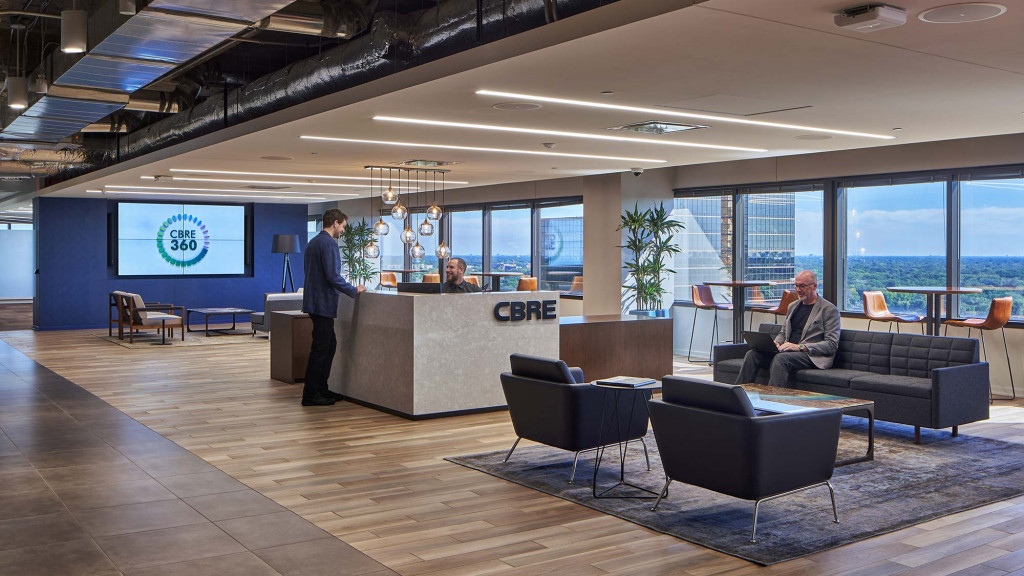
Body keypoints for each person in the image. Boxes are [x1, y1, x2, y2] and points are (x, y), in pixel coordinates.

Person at [301, 209, 366, 406]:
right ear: (336, 223)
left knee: (328, 346)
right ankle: (312, 394)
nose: (343, 231)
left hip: (314, 302)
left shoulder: (313, 242)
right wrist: (353, 290)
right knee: (322, 349)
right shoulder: (329, 244)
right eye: (343, 226)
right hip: (323, 303)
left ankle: (321, 389)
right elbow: (332, 276)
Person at [735, 270, 840, 388]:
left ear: (814, 286)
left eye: (802, 286)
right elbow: (783, 332)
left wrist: (799, 347)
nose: (798, 290)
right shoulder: (793, 306)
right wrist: (777, 342)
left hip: (810, 356)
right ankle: (738, 395)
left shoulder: (829, 310)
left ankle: (773, 402)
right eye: (796, 285)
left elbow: (831, 344)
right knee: (752, 354)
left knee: (781, 359)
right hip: (788, 351)